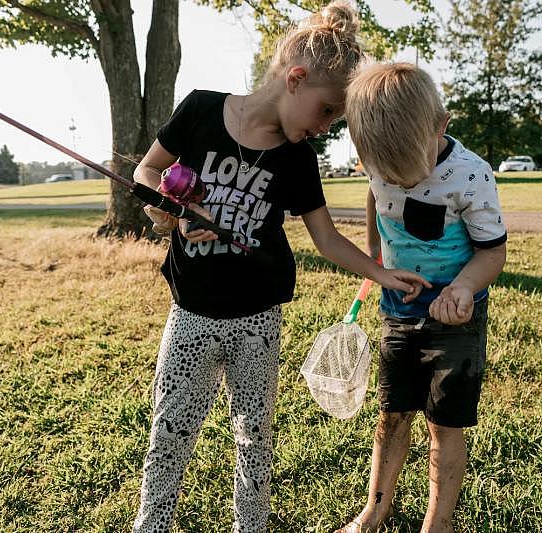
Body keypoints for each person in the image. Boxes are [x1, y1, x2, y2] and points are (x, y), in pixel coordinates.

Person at [130, 4, 431, 533]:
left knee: (254, 434)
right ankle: (150, 525)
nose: (324, 127)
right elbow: (149, 169)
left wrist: (382, 274)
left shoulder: (297, 160)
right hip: (190, 315)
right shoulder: (200, 110)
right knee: (171, 427)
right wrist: (169, 210)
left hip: (258, 320)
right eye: (326, 112)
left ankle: (251, 526)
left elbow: (326, 237)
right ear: (295, 80)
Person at [336, 62, 508, 533]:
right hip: (397, 311)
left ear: (442, 126)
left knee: (443, 422)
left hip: (456, 317)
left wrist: (463, 288)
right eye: (391, 173)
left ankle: (439, 522)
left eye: (411, 172)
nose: (403, 182)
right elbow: (375, 197)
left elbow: (494, 253)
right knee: (391, 414)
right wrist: (377, 257)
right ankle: (374, 508)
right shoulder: (377, 163)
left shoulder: (471, 175)